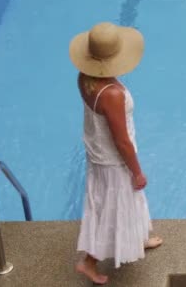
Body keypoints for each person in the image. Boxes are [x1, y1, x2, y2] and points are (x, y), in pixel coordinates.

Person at [69, 22, 163, 285]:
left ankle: (138, 238)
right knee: (111, 208)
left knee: (124, 201)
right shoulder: (111, 94)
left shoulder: (85, 77)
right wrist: (136, 170)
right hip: (114, 161)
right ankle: (88, 262)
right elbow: (121, 141)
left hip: (98, 155)